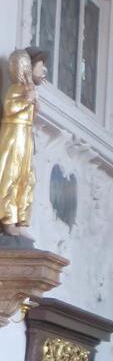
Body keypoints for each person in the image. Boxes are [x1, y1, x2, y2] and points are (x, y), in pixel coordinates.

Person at [0, 47, 46, 238]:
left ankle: (20, 217)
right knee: (11, 172)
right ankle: (8, 218)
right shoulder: (16, 89)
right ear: (26, 67)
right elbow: (9, 108)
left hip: (25, 136)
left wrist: (34, 102)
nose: (43, 71)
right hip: (13, 135)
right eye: (40, 67)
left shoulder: (28, 89)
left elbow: (33, 116)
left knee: (26, 176)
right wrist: (28, 99)